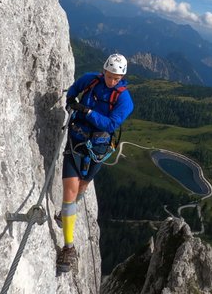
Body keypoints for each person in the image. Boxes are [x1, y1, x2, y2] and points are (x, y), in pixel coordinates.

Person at [56, 53, 134, 273]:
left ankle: (68, 211)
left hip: (98, 147)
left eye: (116, 78)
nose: (111, 81)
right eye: (109, 76)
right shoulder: (90, 79)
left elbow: (111, 124)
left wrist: (87, 111)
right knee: (70, 190)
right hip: (77, 140)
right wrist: (71, 101)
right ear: (104, 71)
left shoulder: (124, 100)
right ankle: (68, 247)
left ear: (122, 77)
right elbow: (73, 90)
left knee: (83, 185)